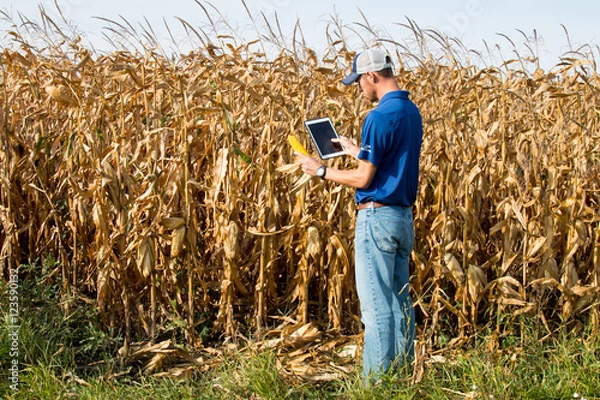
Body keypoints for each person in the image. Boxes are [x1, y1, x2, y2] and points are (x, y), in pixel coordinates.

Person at [295, 48, 423, 382]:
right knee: (399, 302)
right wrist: (356, 150)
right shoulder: (411, 112)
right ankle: (403, 377)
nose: (359, 90)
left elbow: (364, 179)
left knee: (376, 308)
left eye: (359, 82)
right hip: (401, 219)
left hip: (376, 219)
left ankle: (376, 386)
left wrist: (320, 171)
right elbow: (387, 161)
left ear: (372, 76)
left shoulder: (378, 117)